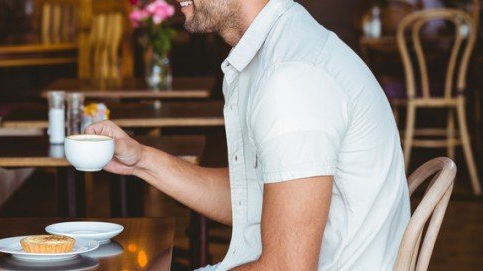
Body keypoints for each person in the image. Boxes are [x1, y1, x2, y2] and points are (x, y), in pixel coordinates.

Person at [86, 0, 410, 270]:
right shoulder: (278, 50)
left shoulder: (292, 78)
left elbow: (288, 267)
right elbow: (253, 199)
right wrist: (139, 161)